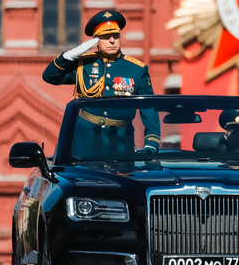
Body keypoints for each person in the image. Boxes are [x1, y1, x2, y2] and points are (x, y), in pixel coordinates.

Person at [42, 10, 160, 159]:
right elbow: (50, 77)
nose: (112, 41)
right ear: (96, 41)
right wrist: (68, 56)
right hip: (85, 141)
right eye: (105, 37)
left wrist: (151, 143)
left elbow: (149, 107)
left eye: (116, 36)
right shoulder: (84, 65)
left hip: (121, 142)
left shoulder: (136, 69)